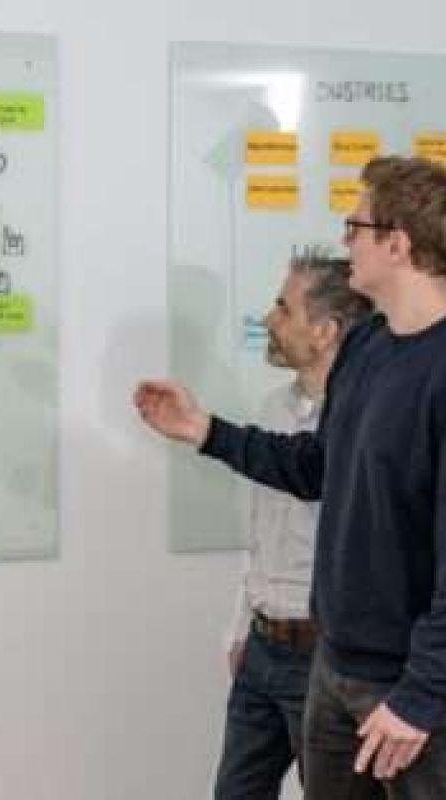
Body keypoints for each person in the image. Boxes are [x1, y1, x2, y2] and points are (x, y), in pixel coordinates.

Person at [134, 155, 446, 799]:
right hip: (335, 668)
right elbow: (315, 468)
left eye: (356, 226)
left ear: (398, 243)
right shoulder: (367, 346)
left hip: (407, 690)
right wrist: (205, 430)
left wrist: (421, 695)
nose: (345, 240)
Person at [214, 247, 372, 799]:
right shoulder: (271, 408)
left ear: (325, 332)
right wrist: (241, 627)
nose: (269, 319)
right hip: (262, 646)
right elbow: (260, 535)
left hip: (322, 658)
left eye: (284, 307)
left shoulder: (363, 425)